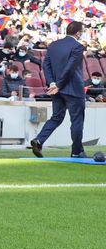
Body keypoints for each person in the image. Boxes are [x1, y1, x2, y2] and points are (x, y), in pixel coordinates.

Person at [32, 21, 87, 159]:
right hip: (72, 89)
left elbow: (46, 65)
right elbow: (70, 68)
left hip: (57, 89)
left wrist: (52, 83)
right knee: (77, 120)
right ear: (78, 33)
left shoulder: (54, 45)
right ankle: (76, 151)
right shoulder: (78, 46)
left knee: (56, 117)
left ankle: (39, 140)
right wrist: (59, 85)